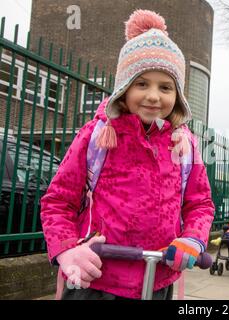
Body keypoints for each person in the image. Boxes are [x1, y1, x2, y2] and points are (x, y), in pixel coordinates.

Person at [40, 10, 215, 300]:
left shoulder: (185, 146)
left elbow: (200, 203)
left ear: (178, 95)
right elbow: (58, 200)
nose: (154, 96)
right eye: (141, 83)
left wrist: (193, 238)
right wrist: (67, 249)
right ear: (124, 87)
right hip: (94, 279)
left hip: (157, 279)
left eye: (166, 87)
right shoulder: (95, 136)